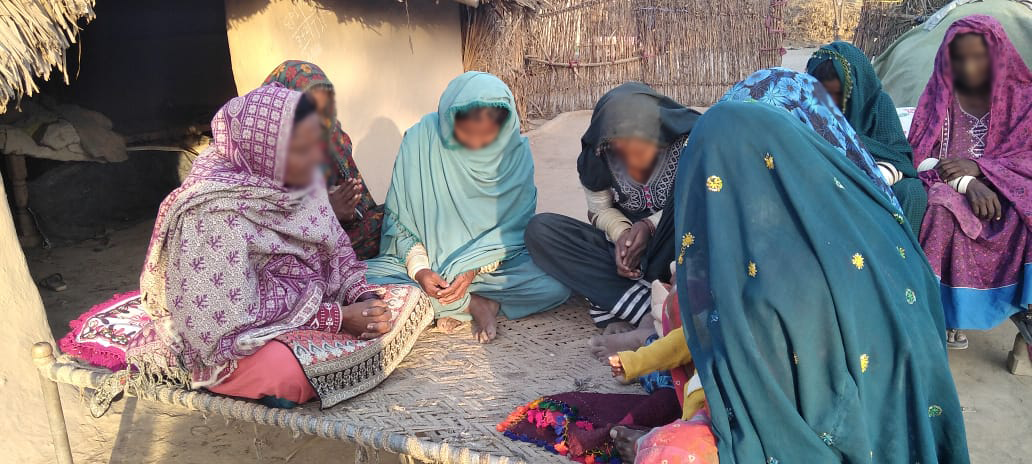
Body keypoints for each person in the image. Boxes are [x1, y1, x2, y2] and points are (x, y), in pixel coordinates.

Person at [666, 100, 969, 463]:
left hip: (847, 431)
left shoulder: (770, 280)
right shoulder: (857, 214)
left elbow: (765, 394)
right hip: (919, 413)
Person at [127, 85, 431, 408]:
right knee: (287, 373)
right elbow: (229, 324)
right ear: (265, 150)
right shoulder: (210, 212)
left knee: (409, 298)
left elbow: (339, 251)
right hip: (234, 336)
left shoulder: (300, 179)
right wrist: (340, 319)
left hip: (306, 306)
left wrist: (364, 299)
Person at [364, 72, 569, 343]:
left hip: (492, 271)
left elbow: (515, 230)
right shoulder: (420, 141)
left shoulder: (514, 154)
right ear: (450, 121)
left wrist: (473, 268)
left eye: (487, 134)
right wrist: (421, 270)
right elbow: (399, 223)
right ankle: (473, 304)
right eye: (468, 131)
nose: (477, 142)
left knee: (556, 284)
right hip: (425, 270)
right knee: (360, 282)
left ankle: (473, 299)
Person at [524, 83, 700, 357]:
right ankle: (650, 309)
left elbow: (707, 201)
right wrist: (622, 237)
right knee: (541, 230)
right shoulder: (598, 153)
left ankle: (639, 310)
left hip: (679, 251)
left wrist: (648, 226)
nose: (630, 158)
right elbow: (600, 209)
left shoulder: (692, 144)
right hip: (633, 259)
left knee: (690, 205)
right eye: (620, 149)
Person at [909, 15, 1032, 352]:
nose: (968, 66)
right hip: (948, 188)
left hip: (1010, 190)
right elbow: (919, 155)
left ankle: (1028, 307)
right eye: (959, 58)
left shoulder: (1023, 99)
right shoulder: (939, 95)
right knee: (938, 206)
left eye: (978, 57)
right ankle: (941, 315)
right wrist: (966, 182)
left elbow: (1027, 158)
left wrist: (982, 168)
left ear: (998, 55)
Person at [262, 60, 384, 259]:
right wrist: (326, 210)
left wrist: (349, 211)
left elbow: (361, 208)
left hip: (331, 235)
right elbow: (262, 223)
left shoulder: (330, 134)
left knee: (390, 220)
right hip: (287, 246)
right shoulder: (260, 146)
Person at [807, 42, 927, 235]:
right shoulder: (806, 110)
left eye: (838, 94)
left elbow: (900, 158)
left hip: (879, 178)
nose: (830, 102)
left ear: (858, 87)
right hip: (829, 181)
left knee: (912, 192)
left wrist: (873, 169)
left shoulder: (878, 106)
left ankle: (901, 261)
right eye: (823, 93)